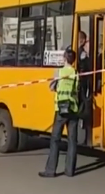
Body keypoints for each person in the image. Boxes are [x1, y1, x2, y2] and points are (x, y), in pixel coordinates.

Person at [39, 49, 79, 178]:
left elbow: (51, 87)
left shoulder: (59, 72)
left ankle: (51, 170)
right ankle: (70, 171)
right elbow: (77, 89)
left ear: (65, 59)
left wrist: (58, 88)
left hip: (61, 110)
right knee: (72, 141)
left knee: (55, 139)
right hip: (73, 109)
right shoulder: (75, 73)